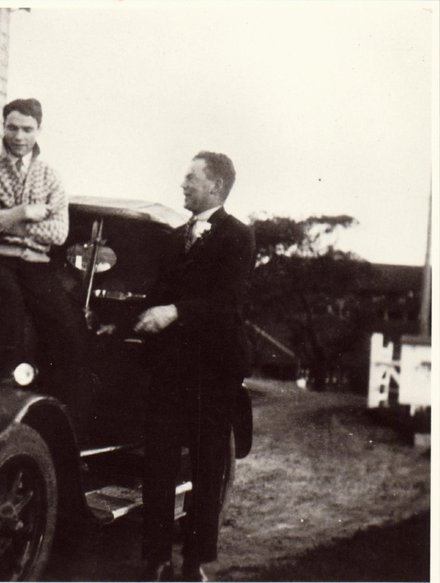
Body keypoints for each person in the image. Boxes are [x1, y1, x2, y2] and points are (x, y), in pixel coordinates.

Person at [133, 151, 255, 581]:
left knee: (207, 470)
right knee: (158, 467)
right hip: (170, 369)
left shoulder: (238, 238)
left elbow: (228, 303)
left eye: (190, 178)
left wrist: (175, 312)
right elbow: (155, 295)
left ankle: (194, 564)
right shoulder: (174, 238)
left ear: (215, 187)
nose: (182, 184)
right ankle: (157, 560)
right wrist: (122, 323)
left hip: (214, 370)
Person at [0, 98, 92, 431]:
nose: (19, 136)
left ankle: (63, 421)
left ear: (39, 129)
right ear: (2, 126)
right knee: (8, 306)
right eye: (12, 127)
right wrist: (21, 213)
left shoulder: (51, 177)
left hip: (36, 263)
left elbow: (59, 232)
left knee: (68, 326)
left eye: (27, 129)